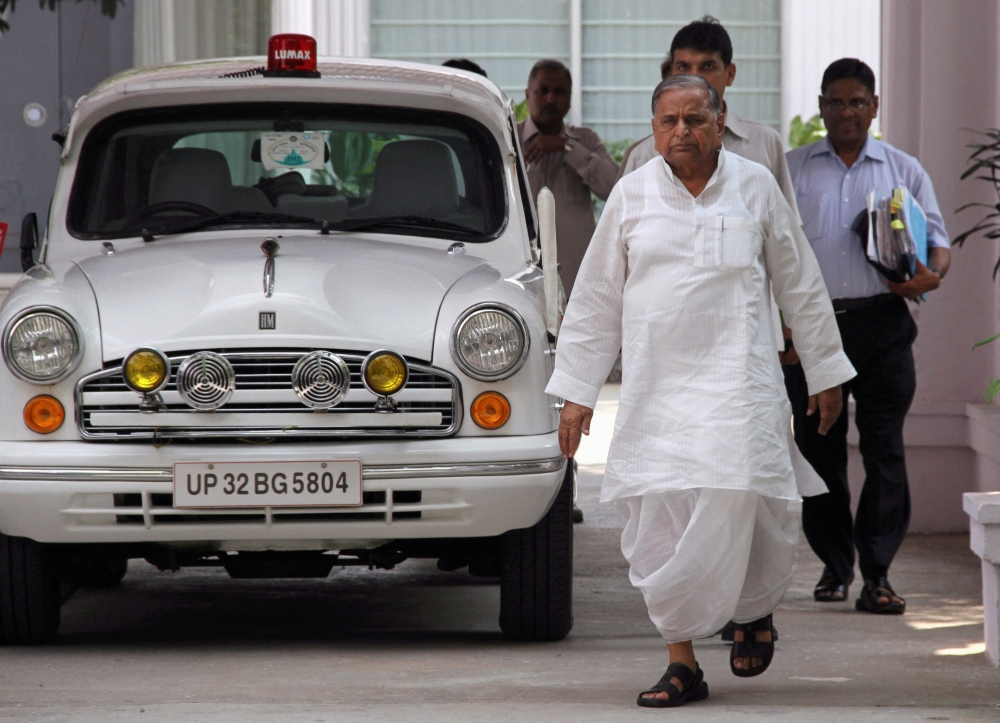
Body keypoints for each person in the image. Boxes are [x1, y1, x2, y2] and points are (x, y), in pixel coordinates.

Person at [548, 74, 855, 708]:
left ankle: (753, 611)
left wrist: (825, 371)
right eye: (668, 121)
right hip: (657, 391)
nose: (681, 131)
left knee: (750, 505)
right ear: (653, 128)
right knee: (660, 516)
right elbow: (596, 301)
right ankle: (681, 660)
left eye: (694, 119)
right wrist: (577, 393)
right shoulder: (632, 196)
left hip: (739, 385)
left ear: (720, 123)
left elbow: (799, 280)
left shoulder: (755, 187)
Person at [784, 58, 951, 614]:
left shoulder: (904, 170)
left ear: (874, 106)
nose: (847, 112)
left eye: (858, 102)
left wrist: (931, 274)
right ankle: (834, 565)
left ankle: (877, 574)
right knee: (819, 451)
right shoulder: (794, 170)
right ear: (822, 106)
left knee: (884, 450)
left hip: (883, 324)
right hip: (814, 330)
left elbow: (938, 242)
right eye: (836, 102)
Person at [617, 17, 798, 225]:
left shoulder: (764, 143)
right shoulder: (645, 154)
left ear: (730, 74)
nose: (696, 78)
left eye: (707, 66)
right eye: (683, 67)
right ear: (672, 72)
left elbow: (785, 229)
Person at [518, 59, 619, 298]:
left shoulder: (585, 141)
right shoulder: (507, 137)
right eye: (543, 91)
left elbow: (614, 188)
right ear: (527, 94)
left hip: (575, 282)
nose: (551, 99)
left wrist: (568, 147)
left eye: (559, 92)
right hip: (518, 277)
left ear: (570, 98)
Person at [616, 53, 671, 180]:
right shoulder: (640, 156)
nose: (682, 130)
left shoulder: (726, 160)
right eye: (671, 120)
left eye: (695, 119)